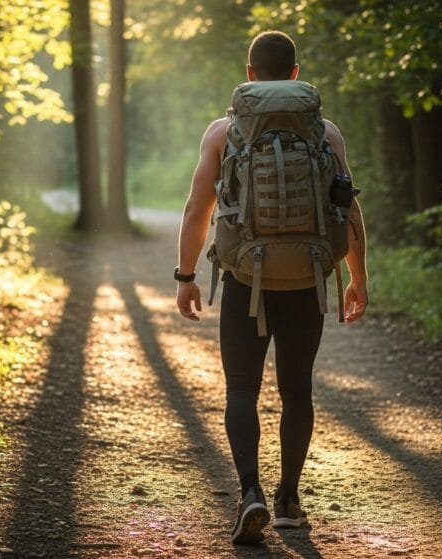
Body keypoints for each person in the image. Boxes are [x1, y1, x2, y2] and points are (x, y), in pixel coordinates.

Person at [173, 30, 369, 545]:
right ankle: (288, 500)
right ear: (296, 74)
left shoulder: (223, 132)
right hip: (306, 279)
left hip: (243, 279)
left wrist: (186, 276)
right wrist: (357, 277)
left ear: (250, 74)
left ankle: (250, 493)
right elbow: (346, 208)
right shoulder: (325, 133)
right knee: (296, 389)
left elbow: (198, 209)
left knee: (242, 389)